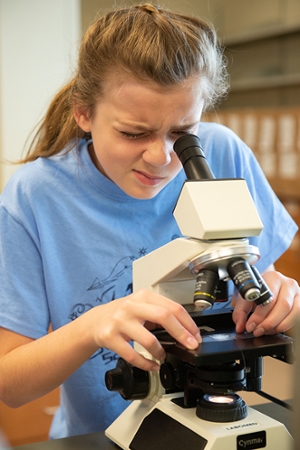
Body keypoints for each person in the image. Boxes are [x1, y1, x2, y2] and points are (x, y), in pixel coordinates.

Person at [0, 2, 299, 440]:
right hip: (99, 436)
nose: (162, 158)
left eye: (182, 133)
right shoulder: (35, 196)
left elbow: (263, 273)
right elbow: (9, 381)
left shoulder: (222, 152)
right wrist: (93, 326)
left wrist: (281, 295)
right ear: (84, 112)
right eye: (133, 132)